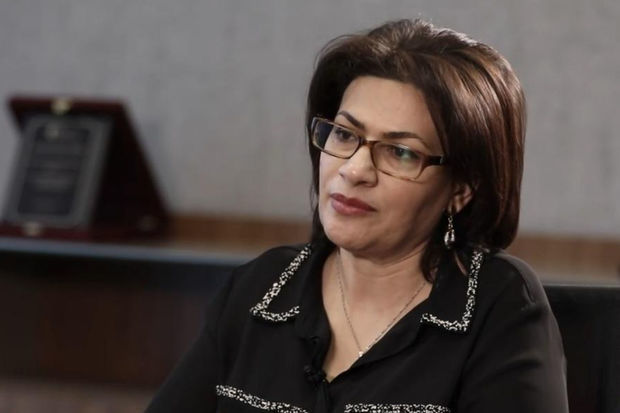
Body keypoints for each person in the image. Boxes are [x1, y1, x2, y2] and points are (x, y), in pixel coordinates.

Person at [145, 19, 569, 412]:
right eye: (345, 134)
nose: (354, 170)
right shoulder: (261, 288)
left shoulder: (499, 305)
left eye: (400, 152)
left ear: (461, 188)